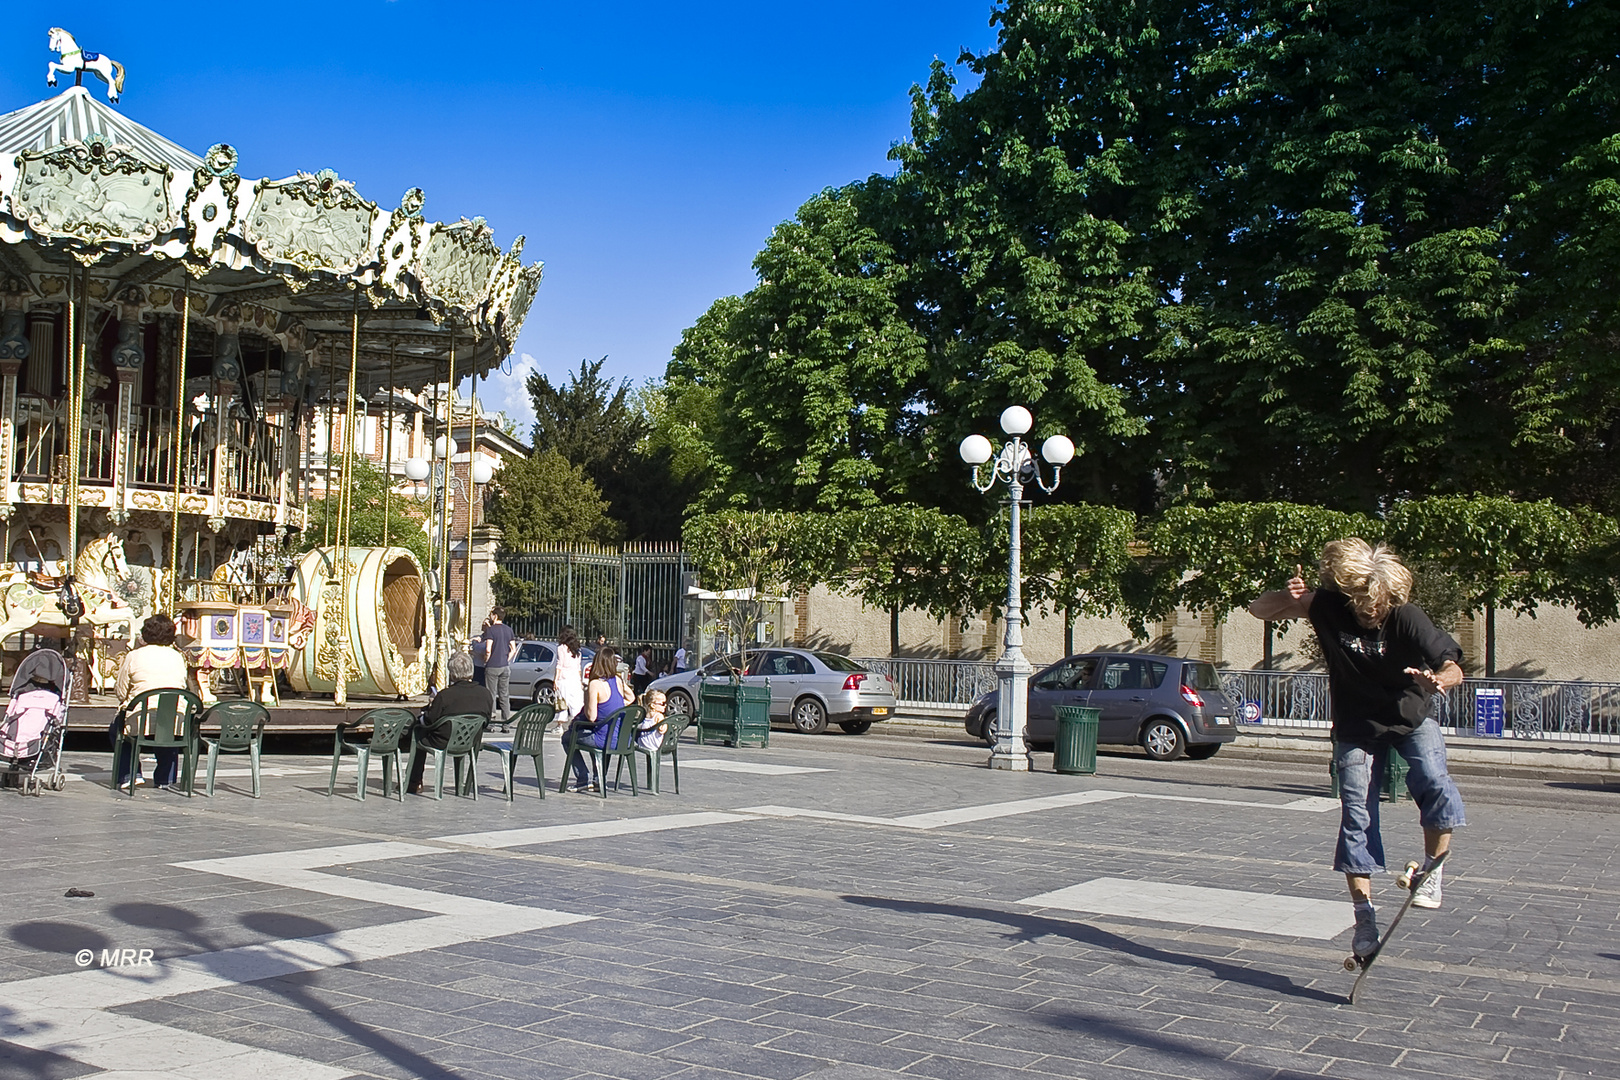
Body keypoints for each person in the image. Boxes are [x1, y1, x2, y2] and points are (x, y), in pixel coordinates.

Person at [1248, 539, 1467, 960]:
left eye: (1377, 604)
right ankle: (1364, 918)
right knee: (1357, 816)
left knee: (1435, 781)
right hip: (1355, 726)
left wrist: (1442, 679)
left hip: (1410, 717)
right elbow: (1261, 610)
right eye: (1361, 603)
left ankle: (1432, 872)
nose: (1370, 612)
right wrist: (1286, 596)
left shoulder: (1407, 617)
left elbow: (1452, 662)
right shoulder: (1328, 605)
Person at [110, 614, 190, 789]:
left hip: (140, 719)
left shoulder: (134, 656)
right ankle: (165, 778)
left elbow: (121, 691)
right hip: (172, 720)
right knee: (167, 723)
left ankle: (130, 774)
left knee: (118, 728)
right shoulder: (178, 657)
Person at [404, 650, 492, 794]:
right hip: (470, 740)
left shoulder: (445, 695)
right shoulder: (485, 694)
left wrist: (430, 707)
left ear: (451, 673)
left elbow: (429, 720)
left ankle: (414, 782)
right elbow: (486, 720)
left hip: (443, 741)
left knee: (419, 732)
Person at [564, 647, 630, 793]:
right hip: (620, 738)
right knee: (593, 734)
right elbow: (631, 697)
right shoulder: (618, 680)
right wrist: (614, 707)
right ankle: (599, 779)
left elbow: (592, 717)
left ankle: (583, 778)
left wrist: (587, 699)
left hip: (603, 739)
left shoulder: (595, 684)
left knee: (568, 738)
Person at [482, 608, 517, 728]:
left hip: (492, 665)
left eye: (491, 614)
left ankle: (491, 722)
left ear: (495, 616)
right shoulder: (508, 630)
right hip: (504, 666)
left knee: (491, 694)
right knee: (504, 694)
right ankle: (506, 722)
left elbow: (488, 649)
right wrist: (506, 659)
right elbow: (513, 649)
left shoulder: (491, 630)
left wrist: (486, 659)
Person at [554, 625, 585, 725]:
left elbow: (559, 665)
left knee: (562, 703)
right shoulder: (578, 650)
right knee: (576, 704)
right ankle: (576, 724)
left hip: (564, 678)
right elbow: (578, 667)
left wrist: (555, 679)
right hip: (575, 679)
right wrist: (580, 681)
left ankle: (559, 726)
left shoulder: (561, 648)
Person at [636, 688, 669, 755]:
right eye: (663, 703)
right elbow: (662, 730)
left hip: (644, 743)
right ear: (653, 705)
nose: (665, 705)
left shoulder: (646, 715)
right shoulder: (659, 716)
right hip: (655, 744)